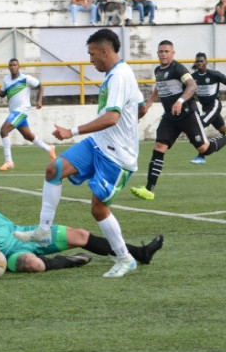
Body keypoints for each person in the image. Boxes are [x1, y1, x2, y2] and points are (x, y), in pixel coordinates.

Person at [13, 29, 150, 278]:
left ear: (105, 51)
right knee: (54, 168)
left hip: (117, 156)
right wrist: (133, 117)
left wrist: (72, 131)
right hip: (98, 143)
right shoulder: (118, 73)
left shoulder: (119, 77)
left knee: (98, 209)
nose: (90, 60)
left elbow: (112, 117)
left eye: (92, 54)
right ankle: (44, 230)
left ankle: (125, 258)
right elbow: (140, 107)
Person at [0, 172, 163, 273]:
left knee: (81, 235)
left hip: (25, 234)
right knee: (34, 265)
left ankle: (140, 253)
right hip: (8, 255)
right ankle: (66, 261)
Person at [130, 41, 226, 200]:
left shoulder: (178, 68)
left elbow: (192, 86)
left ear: (173, 53)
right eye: (161, 51)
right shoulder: (158, 70)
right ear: (157, 53)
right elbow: (159, 87)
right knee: (159, 147)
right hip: (170, 116)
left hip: (187, 114)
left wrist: (180, 101)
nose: (163, 54)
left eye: (166, 51)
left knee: (204, 149)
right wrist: (149, 103)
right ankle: (149, 190)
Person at [0, 58, 56, 172]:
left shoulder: (25, 78)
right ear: (8, 67)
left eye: (15, 65)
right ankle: (49, 149)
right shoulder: (6, 79)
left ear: (19, 66)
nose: (13, 67)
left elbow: (40, 86)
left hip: (22, 110)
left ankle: (9, 162)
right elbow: (4, 94)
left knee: (3, 130)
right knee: (28, 136)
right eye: (11, 65)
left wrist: (39, 101)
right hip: (14, 111)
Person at [189, 52, 226, 164]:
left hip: (214, 105)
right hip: (205, 108)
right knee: (224, 130)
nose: (199, 63)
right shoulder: (193, 77)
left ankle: (201, 155)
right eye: (197, 61)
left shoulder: (214, 74)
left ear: (206, 62)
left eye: (201, 61)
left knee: (199, 124)